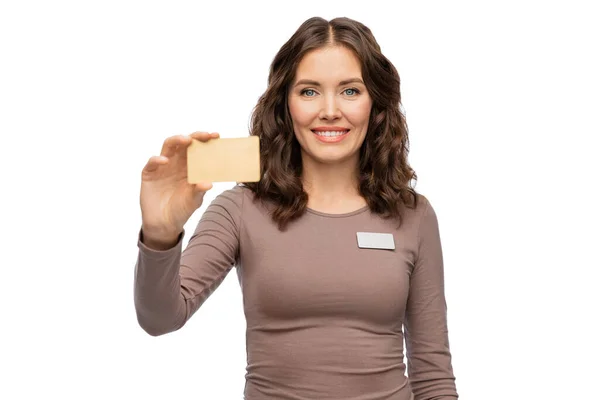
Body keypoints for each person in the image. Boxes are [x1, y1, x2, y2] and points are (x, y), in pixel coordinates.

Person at [134, 16, 459, 400]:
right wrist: (159, 235)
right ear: (285, 103)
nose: (330, 110)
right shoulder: (239, 209)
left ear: (376, 103)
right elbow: (159, 318)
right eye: (309, 92)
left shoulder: (414, 214)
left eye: (350, 91)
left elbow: (433, 375)